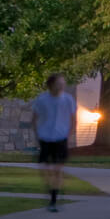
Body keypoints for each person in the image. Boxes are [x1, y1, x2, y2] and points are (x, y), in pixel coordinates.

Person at [29, 72, 78, 210]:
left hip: (61, 137)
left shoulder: (68, 100)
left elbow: (74, 120)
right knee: (45, 169)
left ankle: (54, 200)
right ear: (51, 85)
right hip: (45, 136)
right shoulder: (42, 99)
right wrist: (37, 135)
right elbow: (34, 118)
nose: (61, 86)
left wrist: (68, 136)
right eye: (58, 84)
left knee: (57, 169)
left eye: (63, 84)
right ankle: (51, 189)